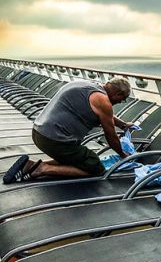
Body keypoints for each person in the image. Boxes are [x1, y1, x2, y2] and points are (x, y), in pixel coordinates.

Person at [3, 77, 134, 184]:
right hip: (56, 140)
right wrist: (123, 154)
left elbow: (105, 114)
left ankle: (30, 166)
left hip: (39, 132)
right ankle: (42, 169)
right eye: (123, 99)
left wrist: (123, 125)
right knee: (95, 166)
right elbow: (110, 136)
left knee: (75, 159)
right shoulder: (103, 100)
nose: (121, 101)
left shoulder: (86, 84)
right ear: (118, 94)